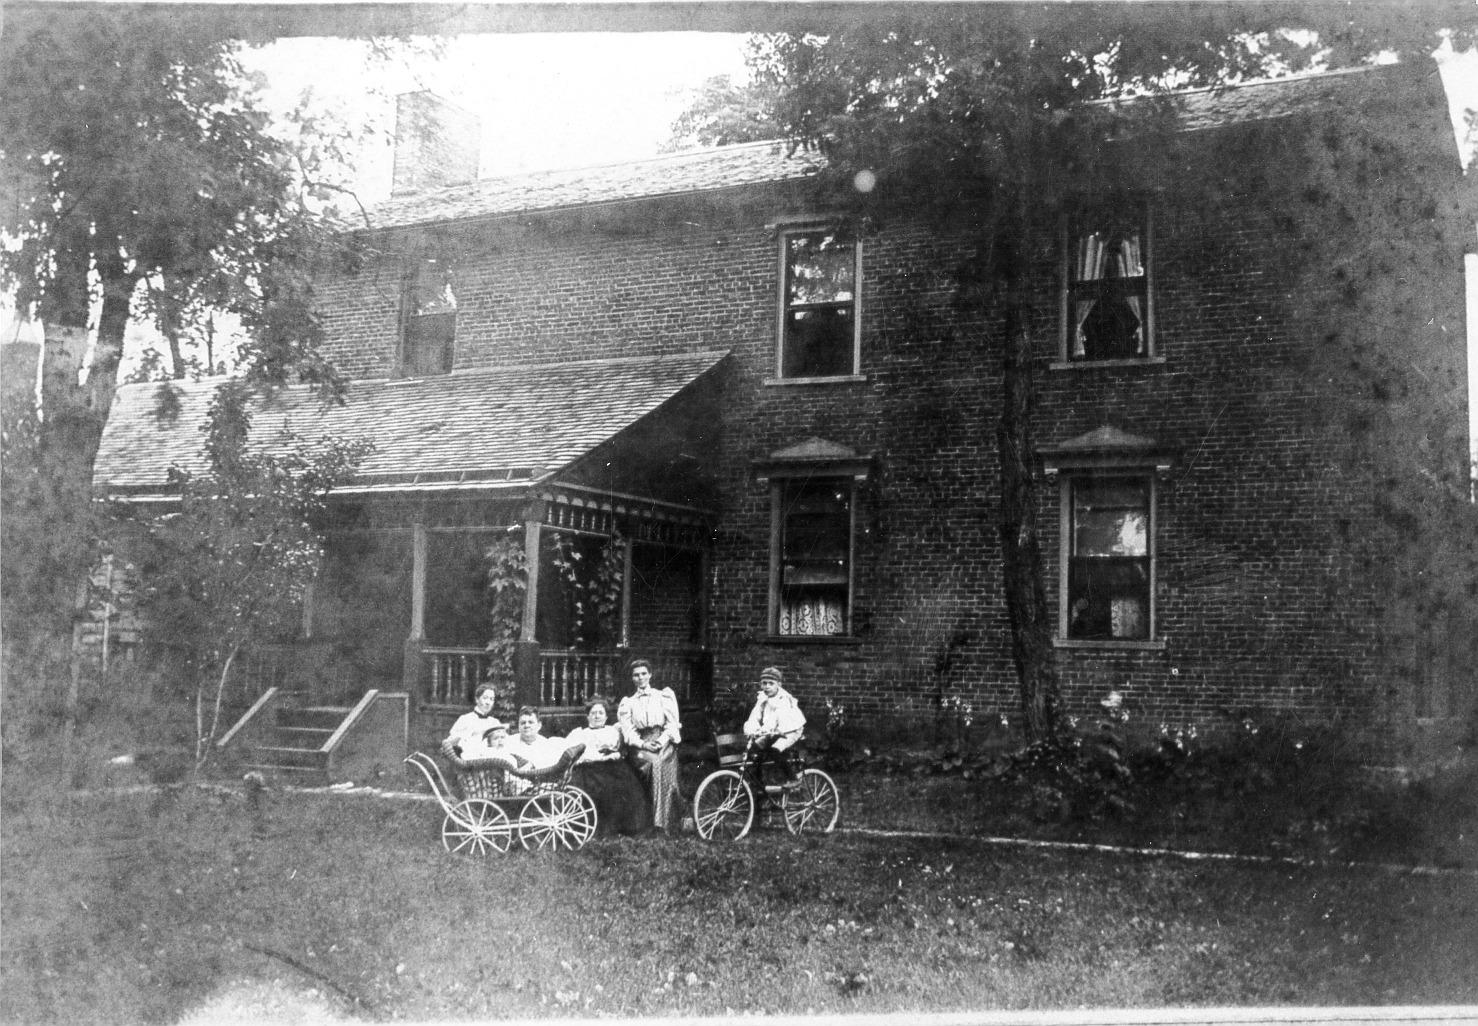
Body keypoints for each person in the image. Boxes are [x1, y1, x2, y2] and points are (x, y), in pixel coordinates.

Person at [564, 696, 653, 837]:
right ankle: (598, 829)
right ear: (587, 716)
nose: (596, 716)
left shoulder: (613, 731)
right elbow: (577, 755)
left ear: (606, 716)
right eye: (593, 713)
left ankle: (623, 827)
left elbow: (620, 750)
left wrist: (616, 754)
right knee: (596, 790)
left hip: (613, 767)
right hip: (589, 769)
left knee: (626, 787)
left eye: (600, 713)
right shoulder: (581, 734)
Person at [617, 658, 682, 833]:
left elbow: (672, 725)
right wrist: (644, 744)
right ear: (632, 678)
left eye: (644, 673)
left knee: (660, 765)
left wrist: (660, 742)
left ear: (650, 675)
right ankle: (652, 822)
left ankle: (665, 823)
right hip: (640, 747)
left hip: (664, 742)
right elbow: (629, 732)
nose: (640, 678)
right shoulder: (628, 703)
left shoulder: (663, 696)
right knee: (653, 763)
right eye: (636, 675)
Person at [743, 666, 807, 790]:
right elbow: (754, 716)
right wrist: (751, 730)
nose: (767, 686)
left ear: (779, 684)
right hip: (773, 730)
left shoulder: (783, 699)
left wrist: (764, 731)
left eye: (771, 683)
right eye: (764, 683)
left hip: (790, 730)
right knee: (756, 749)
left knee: (775, 750)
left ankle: (793, 778)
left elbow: (777, 718)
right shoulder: (763, 698)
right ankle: (758, 783)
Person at [501, 706, 573, 795]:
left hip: (539, 787)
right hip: (515, 788)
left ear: (539, 725)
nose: (526, 725)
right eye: (523, 723)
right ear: (519, 726)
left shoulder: (546, 745)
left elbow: (551, 769)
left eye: (530, 722)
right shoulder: (509, 742)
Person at [442, 683, 507, 762]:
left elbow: (504, 744)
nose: (488, 702)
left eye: (491, 699)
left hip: (492, 761)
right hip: (470, 761)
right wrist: (470, 732)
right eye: (485, 698)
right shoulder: (465, 719)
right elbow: (450, 743)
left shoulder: (495, 722)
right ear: (477, 699)